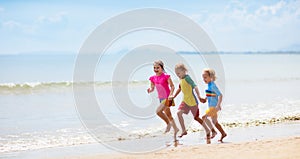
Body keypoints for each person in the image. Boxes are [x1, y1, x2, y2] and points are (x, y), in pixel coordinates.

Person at [170, 63, 212, 144]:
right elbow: (180, 88)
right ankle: (184, 130)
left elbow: (195, 86)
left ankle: (207, 130)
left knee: (196, 118)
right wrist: (173, 96)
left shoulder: (187, 78)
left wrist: (199, 97)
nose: (178, 75)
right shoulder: (181, 79)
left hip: (193, 102)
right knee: (179, 113)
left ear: (184, 71)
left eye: (178, 73)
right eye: (176, 74)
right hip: (185, 101)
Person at [147, 60, 179, 141]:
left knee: (158, 111)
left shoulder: (166, 76)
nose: (156, 69)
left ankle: (168, 124)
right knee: (169, 115)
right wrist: (150, 90)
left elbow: (172, 86)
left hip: (168, 98)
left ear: (162, 68)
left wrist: (171, 95)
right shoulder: (152, 78)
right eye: (154, 68)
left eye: (158, 67)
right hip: (161, 99)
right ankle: (176, 129)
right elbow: (152, 87)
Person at [202, 68, 227, 143]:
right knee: (214, 121)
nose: (204, 79)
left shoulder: (213, 85)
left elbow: (220, 95)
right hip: (211, 107)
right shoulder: (209, 85)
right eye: (203, 77)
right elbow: (212, 94)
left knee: (204, 117)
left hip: (214, 107)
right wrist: (205, 98)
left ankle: (213, 132)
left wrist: (218, 105)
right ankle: (223, 133)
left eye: (205, 77)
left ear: (211, 77)